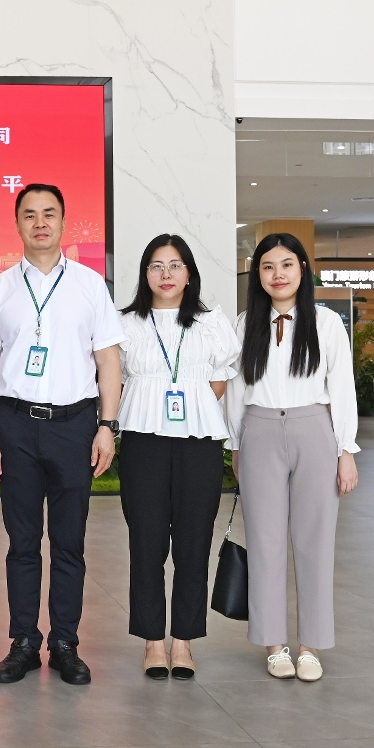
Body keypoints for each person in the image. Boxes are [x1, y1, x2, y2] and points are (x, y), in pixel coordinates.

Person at [0, 184, 125, 686]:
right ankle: (23, 642)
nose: (40, 223)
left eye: (49, 214)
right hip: (15, 425)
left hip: (74, 426)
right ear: (17, 223)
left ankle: (64, 643)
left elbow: (108, 361)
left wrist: (106, 426)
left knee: (69, 541)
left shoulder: (89, 285)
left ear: (63, 222)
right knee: (22, 543)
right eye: (30, 214)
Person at [226, 232, 358, 682]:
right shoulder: (246, 324)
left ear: (302, 268)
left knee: (315, 541)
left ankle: (311, 646)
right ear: (257, 275)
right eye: (267, 266)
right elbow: (237, 390)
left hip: (314, 430)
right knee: (264, 541)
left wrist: (346, 450)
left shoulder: (326, 323)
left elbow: (342, 387)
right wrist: (236, 445)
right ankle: (274, 644)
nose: (277, 274)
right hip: (259, 431)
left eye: (286, 264)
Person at [116, 234, 239, 680]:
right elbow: (115, 379)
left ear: (189, 274)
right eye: (156, 266)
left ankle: (183, 641)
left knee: (193, 543)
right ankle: (153, 640)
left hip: (197, 443)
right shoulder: (125, 324)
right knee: (146, 543)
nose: (165, 274)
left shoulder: (210, 323)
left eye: (174, 265)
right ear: (145, 274)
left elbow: (220, 379)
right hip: (143, 442)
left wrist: (189, 407)